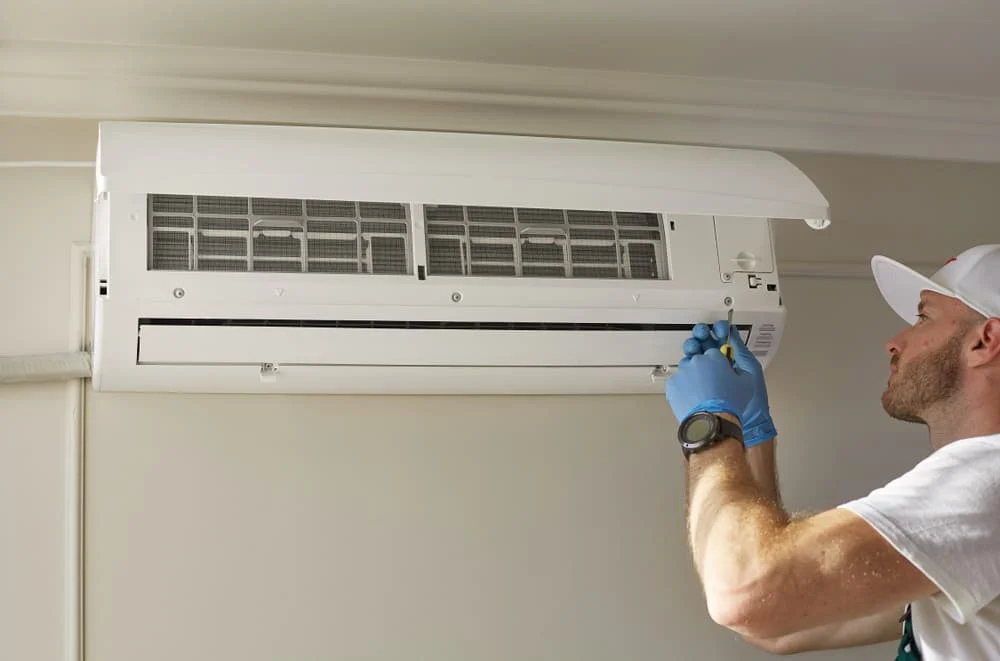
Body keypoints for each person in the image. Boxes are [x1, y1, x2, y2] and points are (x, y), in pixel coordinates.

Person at [664, 244, 1000, 659]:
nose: (894, 342)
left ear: (985, 342)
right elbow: (780, 628)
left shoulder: (987, 479)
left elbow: (744, 590)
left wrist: (710, 423)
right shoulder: (974, 531)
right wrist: (753, 434)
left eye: (922, 316)